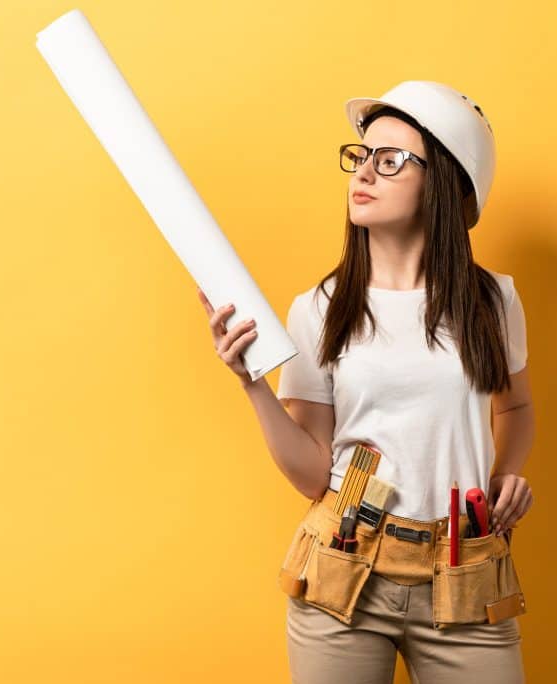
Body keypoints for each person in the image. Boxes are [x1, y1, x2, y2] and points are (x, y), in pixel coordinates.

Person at [198, 81, 534, 683]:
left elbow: (516, 408)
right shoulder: (321, 308)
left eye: (391, 161)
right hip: (343, 566)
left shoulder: (493, 300)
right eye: (361, 157)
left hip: (467, 567)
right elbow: (312, 474)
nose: (364, 173)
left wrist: (506, 474)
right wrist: (251, 383)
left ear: (445, 183)